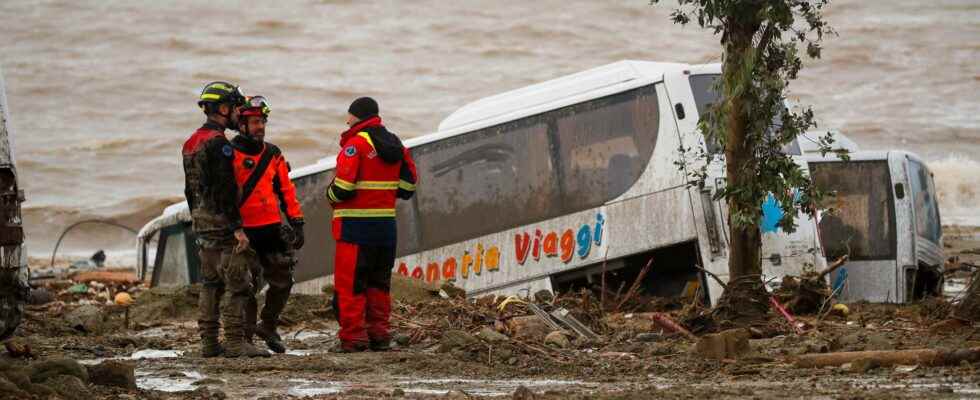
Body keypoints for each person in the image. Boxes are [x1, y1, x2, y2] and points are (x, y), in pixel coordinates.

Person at [182, 81, 267, 358]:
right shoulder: (220, 145)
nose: (237, 114)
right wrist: (238, 228)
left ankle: (208, 343)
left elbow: (189, 189)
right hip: (223, 223)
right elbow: (226, 190)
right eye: (235, 108)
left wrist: (198, 215)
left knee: (209, 284)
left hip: (200, 220)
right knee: (237, 283)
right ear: (222, 108)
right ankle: (234, 342)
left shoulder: (191, 142)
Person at [325, 97, 417, 352]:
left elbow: (343, 188)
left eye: (350, 116)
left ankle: (354, 338)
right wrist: (384, 194)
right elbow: (409, 185)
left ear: (359, 117)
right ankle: (379, 335)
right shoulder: (396, 144)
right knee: (379, 284)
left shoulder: (355, 145)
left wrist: (328, 195)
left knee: (351, 284)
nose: (346, 120)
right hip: (385, 228)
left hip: (355, 229)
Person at [230, 95, 305, 353]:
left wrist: (297, 222)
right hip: (244, 233)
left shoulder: (273, 154)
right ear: (241, 124)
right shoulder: (229, 154)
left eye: (262, 121)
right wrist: (233, 228)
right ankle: (247, 337)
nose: (260, 126)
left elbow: (286, 190)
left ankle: (268, 325)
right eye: (254, 122)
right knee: (247, 286)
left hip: (272, 229)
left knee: (283, 281)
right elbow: (223, 195)